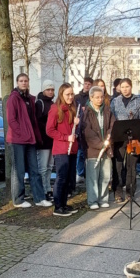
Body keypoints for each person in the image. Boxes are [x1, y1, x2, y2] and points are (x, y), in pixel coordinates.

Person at [6, 73, 49, 208]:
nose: (24, 83)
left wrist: (36, 136)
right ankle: (18, 199)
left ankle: (39, 198)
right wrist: (21, 133)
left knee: (34, 169)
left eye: (25, 80)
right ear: (17, 82)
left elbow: (33, 120)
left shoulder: (30, 99)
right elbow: (11, 120)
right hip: (17, 140)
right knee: (18, 171)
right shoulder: (13, 98)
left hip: (30, 139)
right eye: (21, 81)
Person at [110, 78, 140, 202]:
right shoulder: (115, 101)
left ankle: (130, 192)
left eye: (127, 87)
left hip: (134, 139)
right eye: (123, 87)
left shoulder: (139, 101)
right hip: (119, 138)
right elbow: (112, 119)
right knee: (118, 165)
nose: (125, 89)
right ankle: (118, 192)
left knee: (132, 166)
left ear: (131, 87)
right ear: (119, 88)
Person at [46, 83, 80, 216]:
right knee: (61, 178)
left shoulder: (73, 108)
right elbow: (49, 130)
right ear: (61, 95)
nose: (70, 97)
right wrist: (66, 137)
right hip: (61, 149)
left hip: (72, 149)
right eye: (67, 94)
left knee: (69, 179)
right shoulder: (55, 109)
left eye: (72, 94)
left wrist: (77, 124)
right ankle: (58, 207)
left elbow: (72, 130)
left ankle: (64, 204)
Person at [82, 86, 115, 209]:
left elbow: (112, 125)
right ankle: (93, 201)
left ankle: (103, 199)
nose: (100, 99)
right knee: (93, 177)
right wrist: (101, 144)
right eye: (97, 97)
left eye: (101, 97)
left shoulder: (107, 110)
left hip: (107, 148)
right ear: (91, 98)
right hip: (93, 150)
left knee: (106, 175)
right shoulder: (86, 112)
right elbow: (87, 132)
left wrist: (108, 139)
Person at [35, 80, 56, 199]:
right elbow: (37, 122)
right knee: (42, 167)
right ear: (43, 90)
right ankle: (42, 190)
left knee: (49, 167)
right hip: (43, 140)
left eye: (52, 90)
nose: (50, 92)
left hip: (51, 140)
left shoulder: (52, 103)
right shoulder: (40, 103)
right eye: (48, 89)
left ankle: (48, 188)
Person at [74, 76, 94, 182]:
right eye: (85, 84)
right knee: (80, 153)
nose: (87, 86)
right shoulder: (77, 97)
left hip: (89, 126)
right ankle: (80, 172)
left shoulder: (92, 97)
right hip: (80, 126)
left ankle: (88, 173)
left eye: (89, 84)